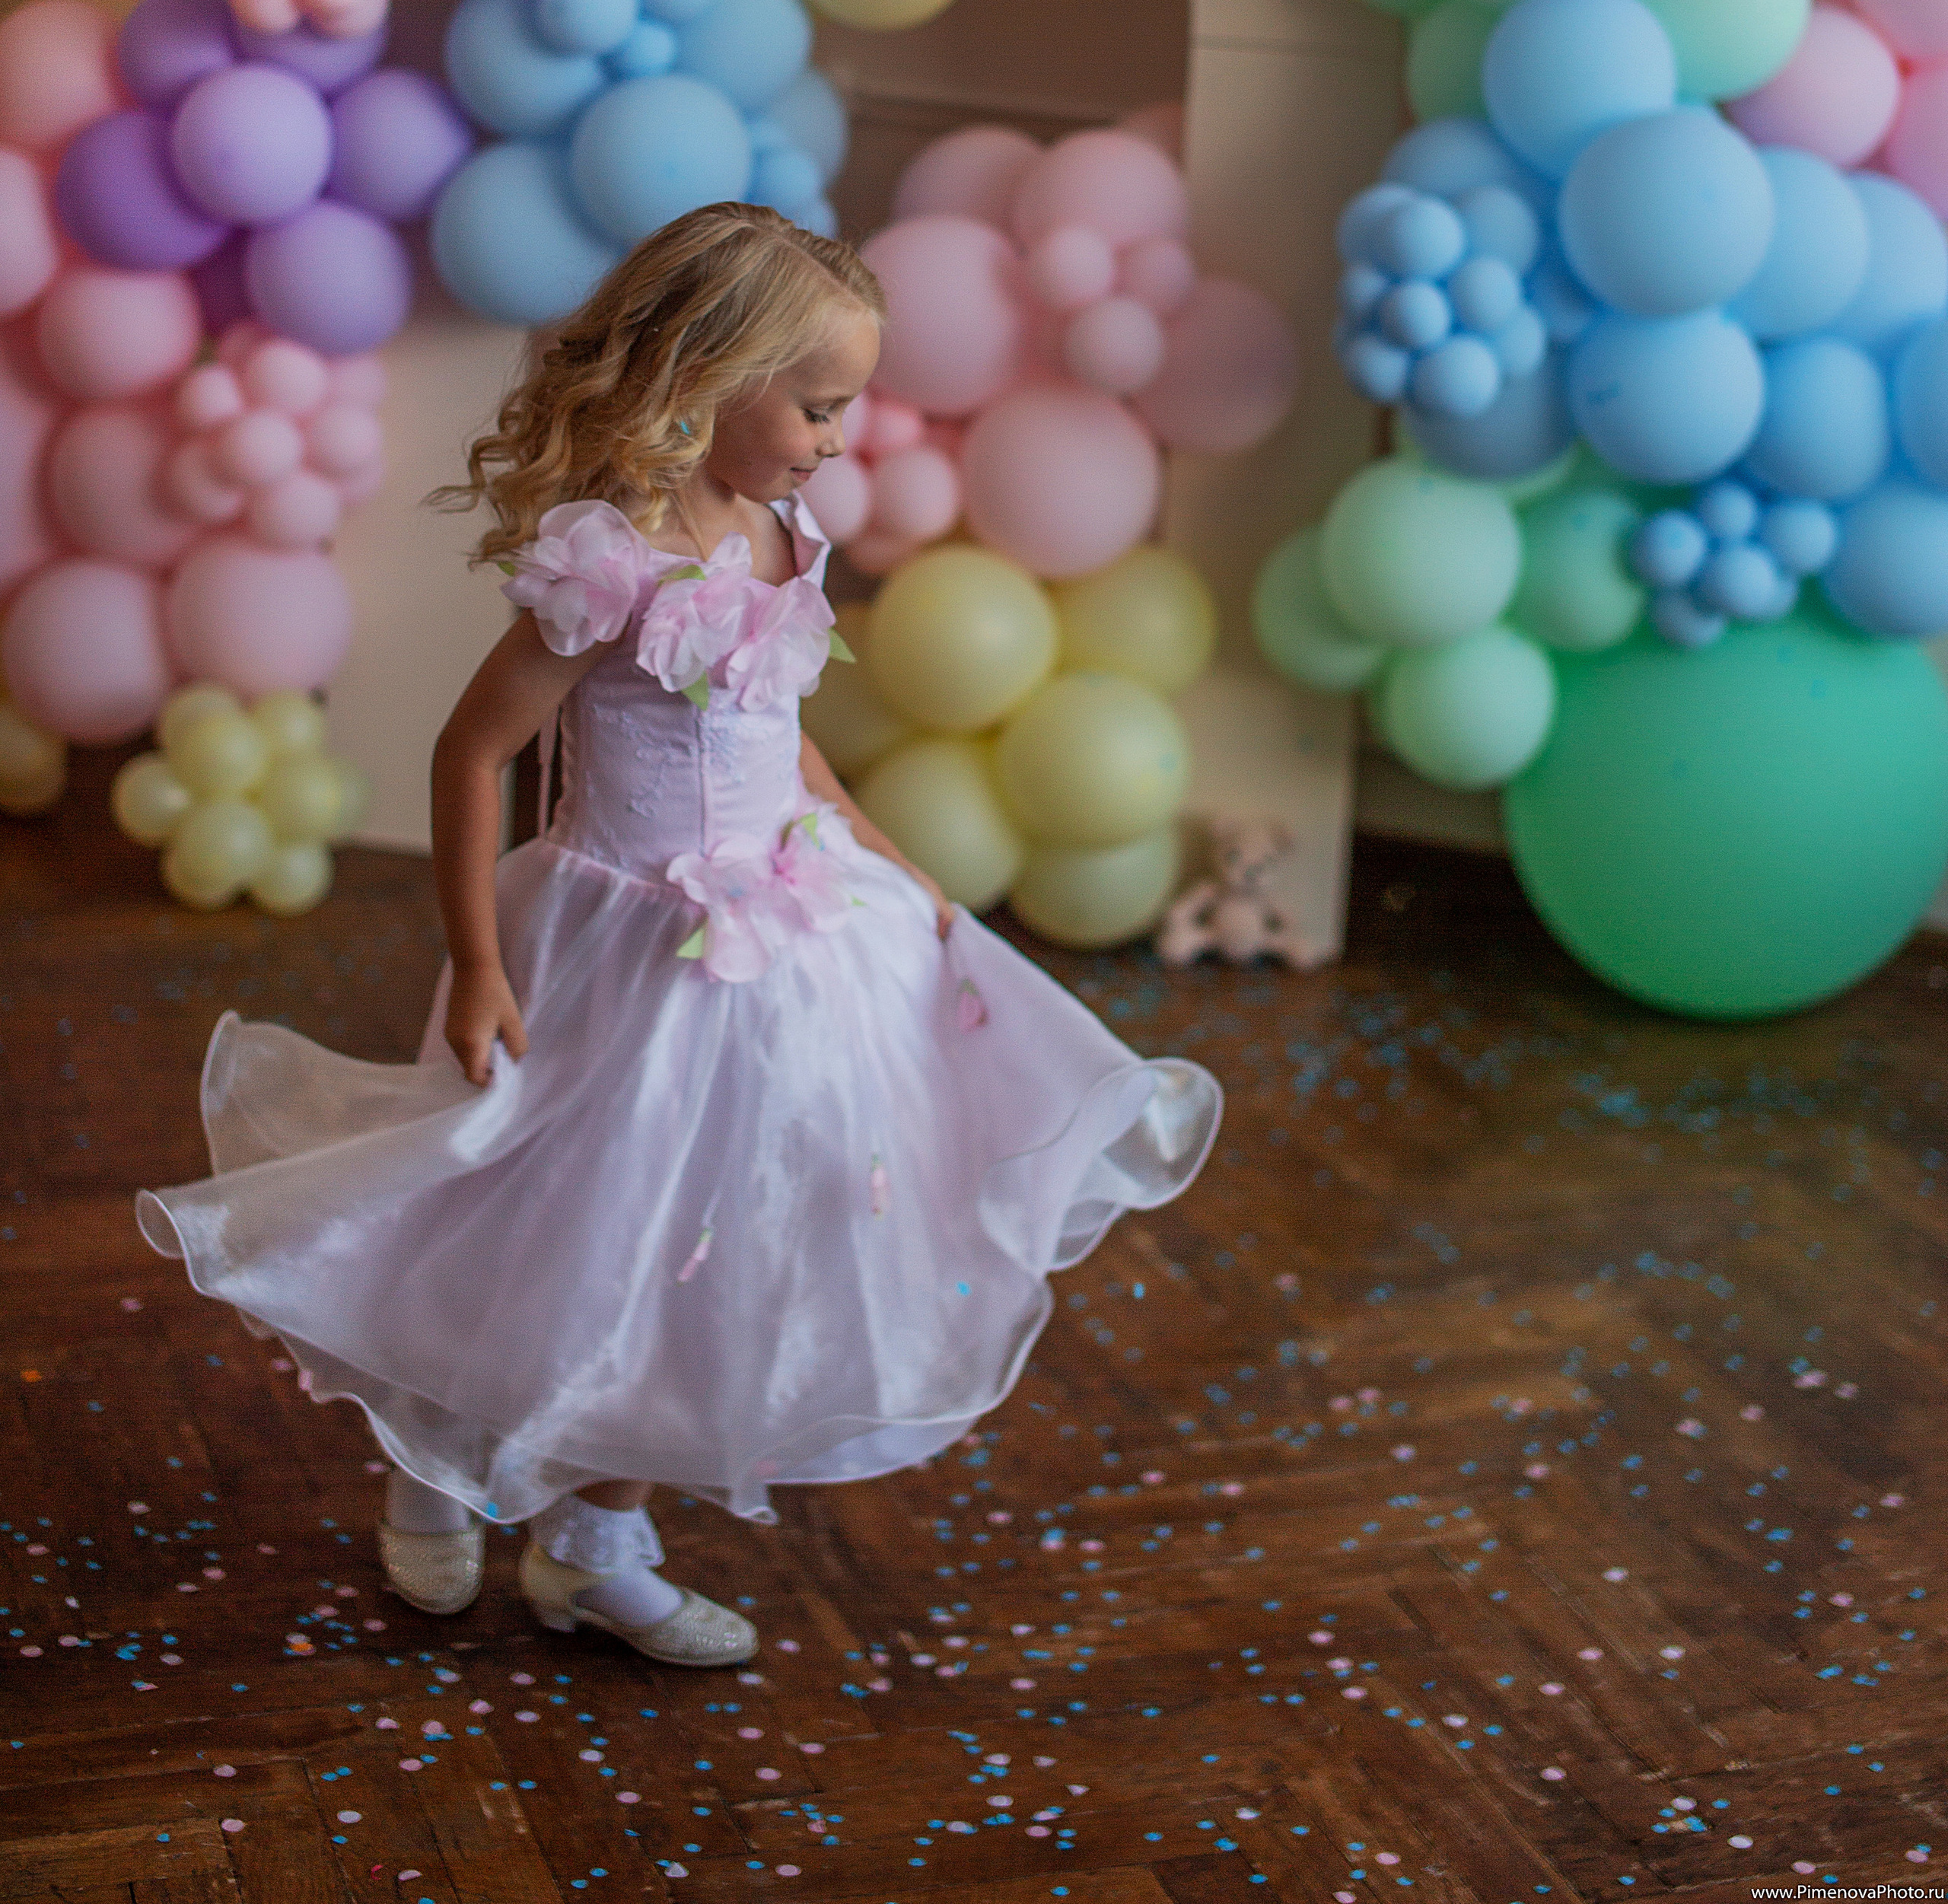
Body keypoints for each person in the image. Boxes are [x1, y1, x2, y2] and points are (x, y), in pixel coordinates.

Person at [135, 202, 1221, 1668]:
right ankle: (436, 1465)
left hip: (784, 950)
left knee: (703, 1259)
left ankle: (594, 1546)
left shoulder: (784, 530)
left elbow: (780, 730)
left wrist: (881, 856)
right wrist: (477, 959)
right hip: (615, 954)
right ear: (706, 379)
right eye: (821, 406)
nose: (841, 438)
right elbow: (471, 757)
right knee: (536, 1235)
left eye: (850, 408)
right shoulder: (614, 565)